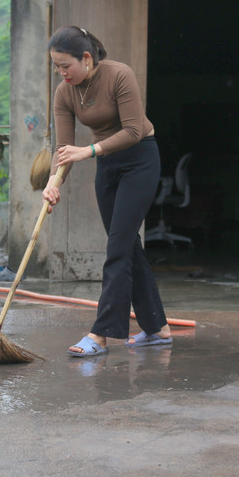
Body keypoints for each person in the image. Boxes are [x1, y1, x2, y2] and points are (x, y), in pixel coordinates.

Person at [42, 26, 173, 357]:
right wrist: (53, 183)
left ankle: (100, 334)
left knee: (117, 247)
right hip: (107, 166)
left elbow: (133, 130)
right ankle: (157, 328)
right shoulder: (64, 92)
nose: (61, 73)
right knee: (127, 245)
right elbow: (64, 148)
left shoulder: (118, 75)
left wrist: (88, 151)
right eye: (56, 67)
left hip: (139, 160)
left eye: (66, 65)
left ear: (86, 58)